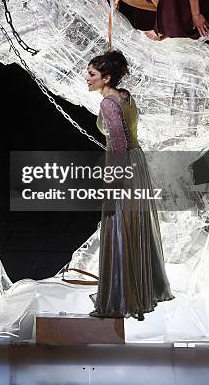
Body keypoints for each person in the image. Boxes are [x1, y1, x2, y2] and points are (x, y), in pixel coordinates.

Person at [86, 50, 174, 319]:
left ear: (106, 77)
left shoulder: (108, 104)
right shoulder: (124, 96)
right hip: (138, 164)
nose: (87, 79)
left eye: (92, 74)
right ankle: (137, 292)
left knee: (120, 229)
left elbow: (120, 145)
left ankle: (121, 300)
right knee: (135, 228)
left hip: (124, 168)